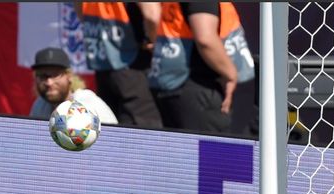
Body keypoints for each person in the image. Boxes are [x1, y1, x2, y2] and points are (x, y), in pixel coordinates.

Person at [148, 2, 255, 134]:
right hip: (199, 88)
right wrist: (231, 74)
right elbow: (205, 39)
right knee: (218, 151)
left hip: (174, 82)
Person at [76, 2, 163, 128]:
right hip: (132, 63)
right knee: (143, 135)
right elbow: (152, 16)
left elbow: (81, 12)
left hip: (103, 64)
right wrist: (154, 42)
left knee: (110, 131)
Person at [29, 47, 118, 124]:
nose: (49, 82)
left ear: (69, 76)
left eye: (55, 75)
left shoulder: (89, 105)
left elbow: (115, 141)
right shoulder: (40, 105)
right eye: (42, 76)